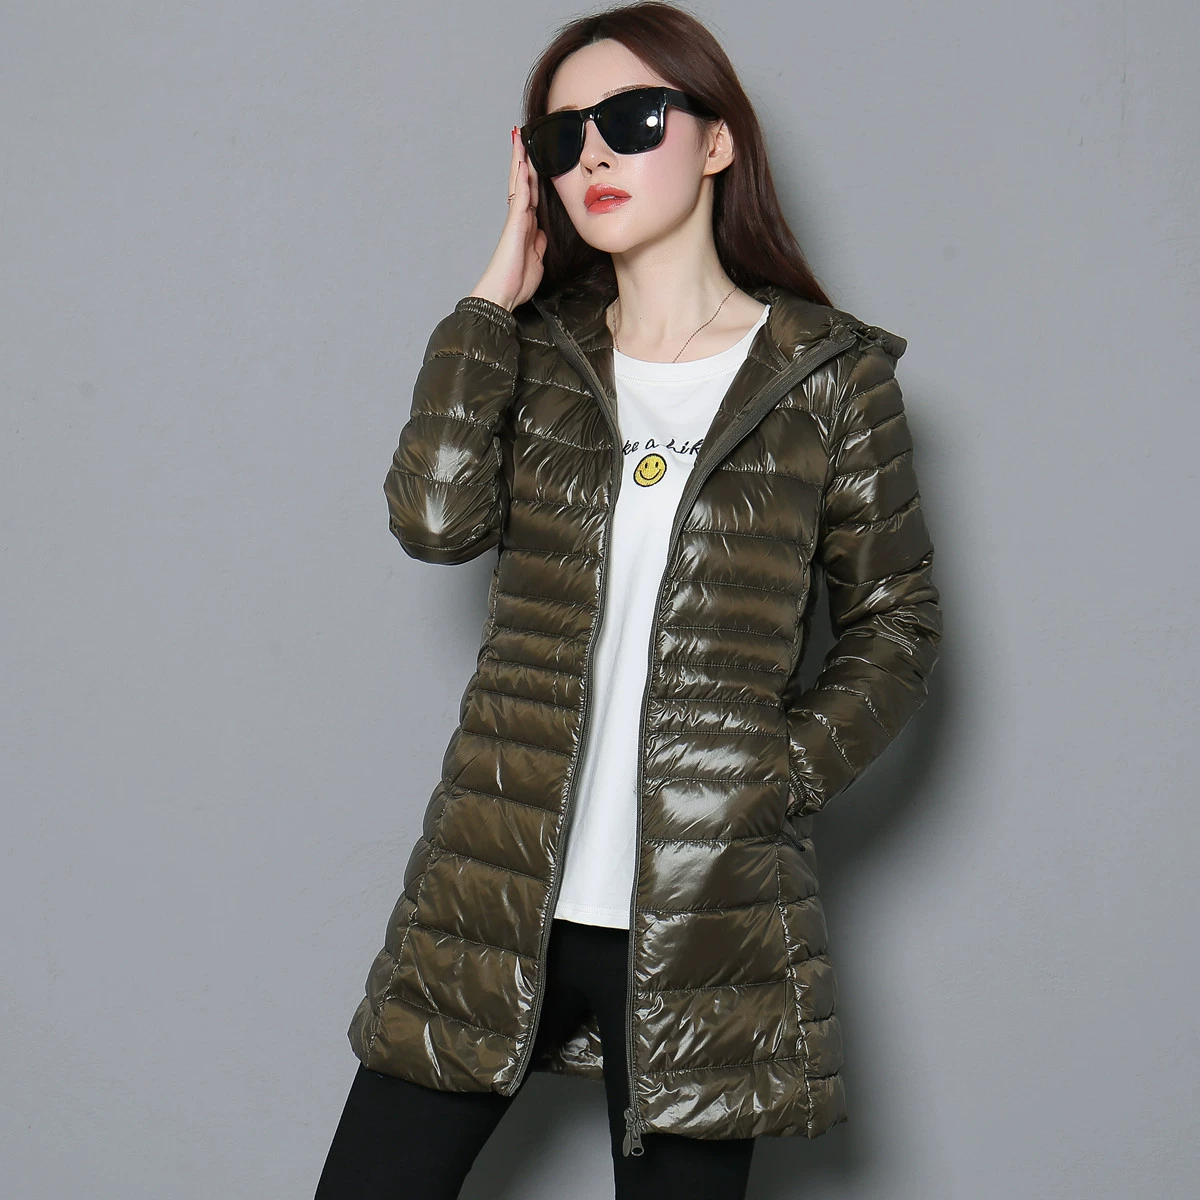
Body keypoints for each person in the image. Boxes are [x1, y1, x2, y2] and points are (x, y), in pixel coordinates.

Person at [316, 3, 943, 1197]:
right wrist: (489, 300)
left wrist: (772, 777)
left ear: (717, 140)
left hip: (705, 908)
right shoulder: (533, 354)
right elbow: (435, 523)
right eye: (562, 138)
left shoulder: (829, 377)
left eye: (632, 119)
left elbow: (897, 626)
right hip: (495, 888)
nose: (592, 154)